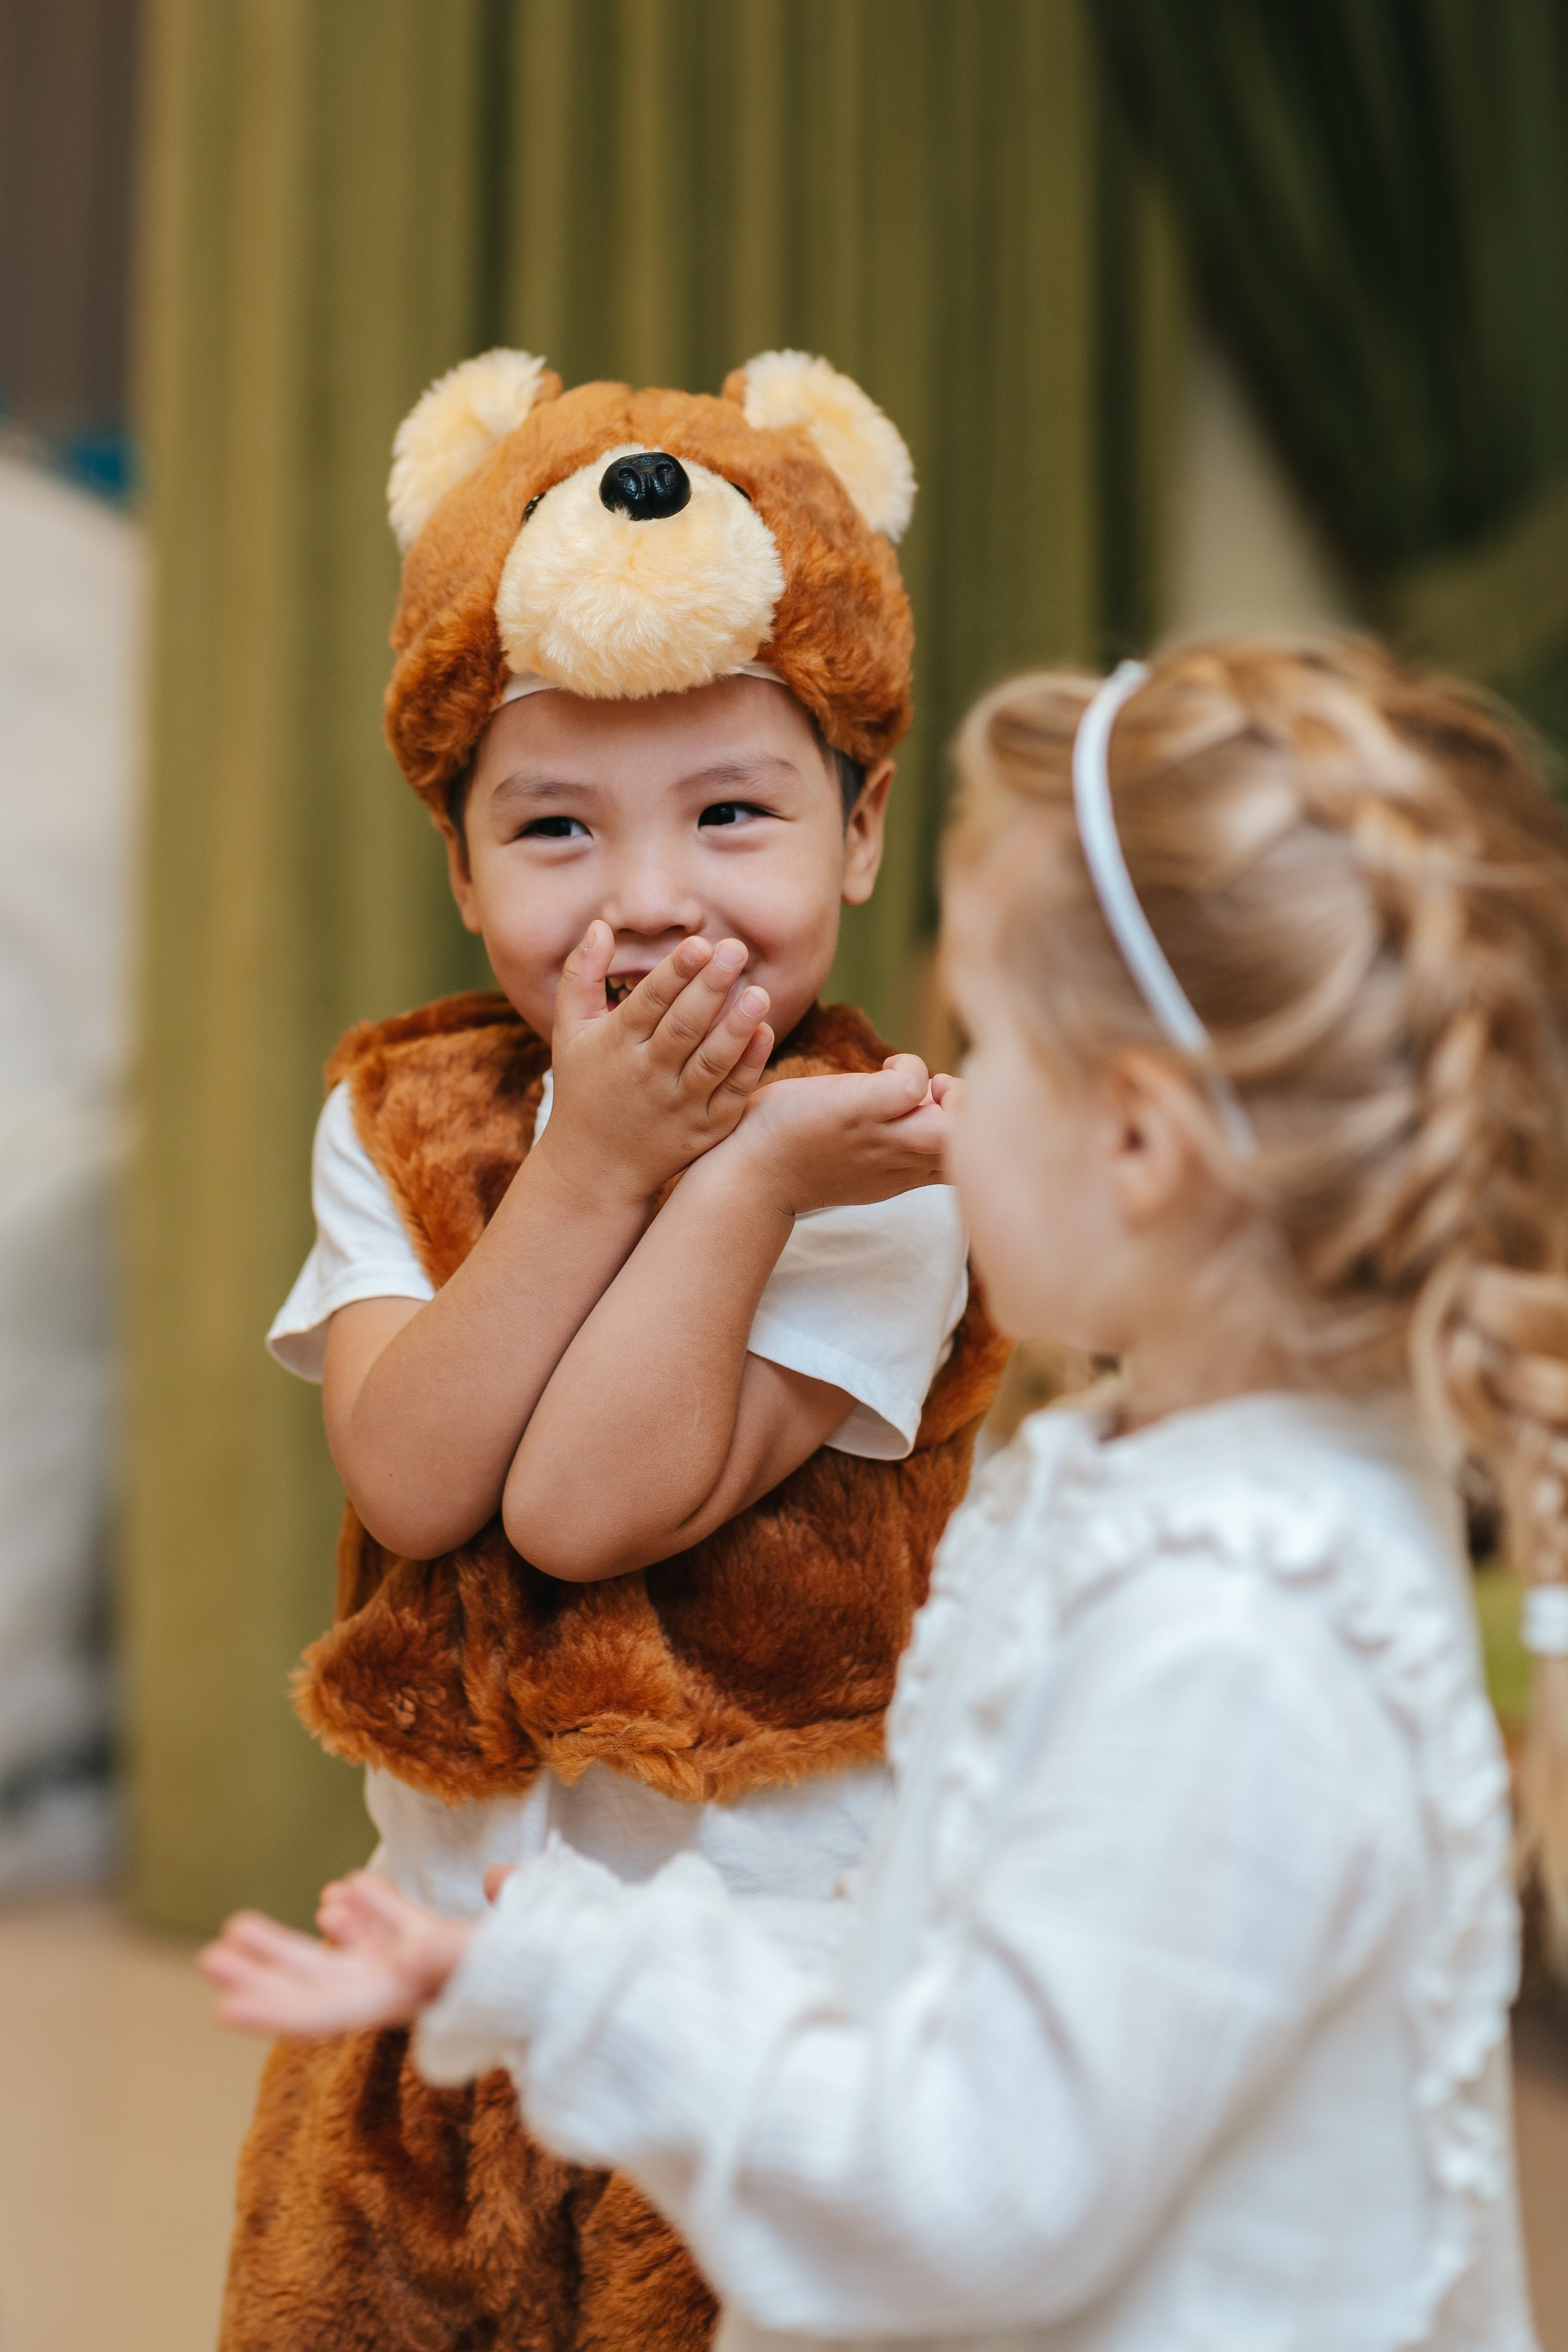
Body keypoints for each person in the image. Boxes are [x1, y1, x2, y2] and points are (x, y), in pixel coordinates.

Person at [206, 638, 1557, 2351]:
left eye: (987, 1040)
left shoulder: (1231, 1636)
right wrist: (533, 1974)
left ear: (1138, 1145)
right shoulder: (1128, 1487)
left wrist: (578, 1985)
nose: (942, 1086)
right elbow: (947, 1962)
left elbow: (971, 2200)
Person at [211, 345, 1008, 2351]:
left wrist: (726, 1180)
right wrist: (591, 1169)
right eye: (555, 831)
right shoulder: (400, 1117)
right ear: (459, 863)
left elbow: (584, 1511)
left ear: (859, 828)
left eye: (731, 813)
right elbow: (417, 1480)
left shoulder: (877, 1158)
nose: (648, 906)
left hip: (762, 2005)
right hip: (435, 1987)